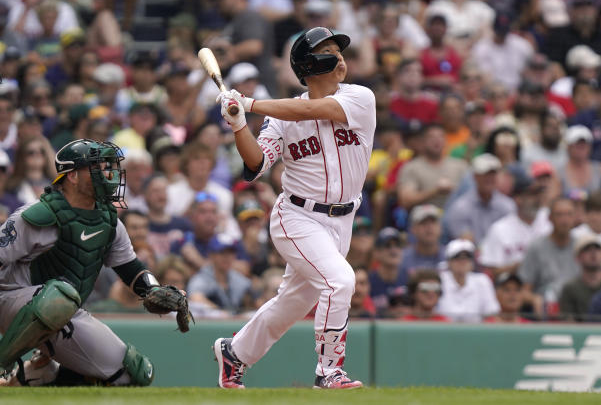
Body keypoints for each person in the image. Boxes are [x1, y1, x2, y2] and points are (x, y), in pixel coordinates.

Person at [212, 27, 374, 389]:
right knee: (340, 280)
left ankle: (235, 352)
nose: (340, 57)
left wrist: (250, 104)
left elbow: (315, 109)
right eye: (329, 50)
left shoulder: (360, 98)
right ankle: (329, 371)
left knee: (292, 303)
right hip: (297, 217)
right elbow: (255, 165)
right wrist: (239, 125)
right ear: (308, 64)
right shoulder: (281, 119)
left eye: (339, 49)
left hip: (343, 220)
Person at [0, 139, 187, 386]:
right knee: (59, 296)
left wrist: (153, 289)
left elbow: (129, 266)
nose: (109, 174)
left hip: (61, 310)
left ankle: (39, 375)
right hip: (10, 301)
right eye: (99, 167)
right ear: (73, 176)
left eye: (110, 167)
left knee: (134, 373)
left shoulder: (109, 221)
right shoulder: (36, 215)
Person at [519, 197, 579, 317]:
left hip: (576, 310)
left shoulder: (581, 246)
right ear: (550, 218)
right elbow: (523, 291)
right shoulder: (536, 247)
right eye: (559, 215)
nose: (564, 220)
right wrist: (534, 299)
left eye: (569, 214)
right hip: (546, 309)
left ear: (574, 218)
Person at [444, 153, 515, 244]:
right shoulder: (460, 207)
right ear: (475, 176)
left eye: (493, 174)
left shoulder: (507, 205)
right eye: (485, 174)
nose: (489, 178)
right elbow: (465, 242)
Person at [437, 239, 500, 323]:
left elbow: (492, 314)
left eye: (467, 257)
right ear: (449, 262)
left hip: (476, 333)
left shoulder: (482, 281)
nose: (462, 262)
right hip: (443, 332)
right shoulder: (440, 280)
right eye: (457, 257)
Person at [559, 233, 601, 321]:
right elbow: (567, 323)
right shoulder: (570, 288)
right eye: (587, 249)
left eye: (597, 248)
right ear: (578, 257)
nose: (593, 252)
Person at [400, 204, 445, 277]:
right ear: (413, 229)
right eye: (423, 223)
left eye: (433, 222)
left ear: (440, 227)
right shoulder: (402, 259)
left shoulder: (451, 257)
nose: (429, 227)